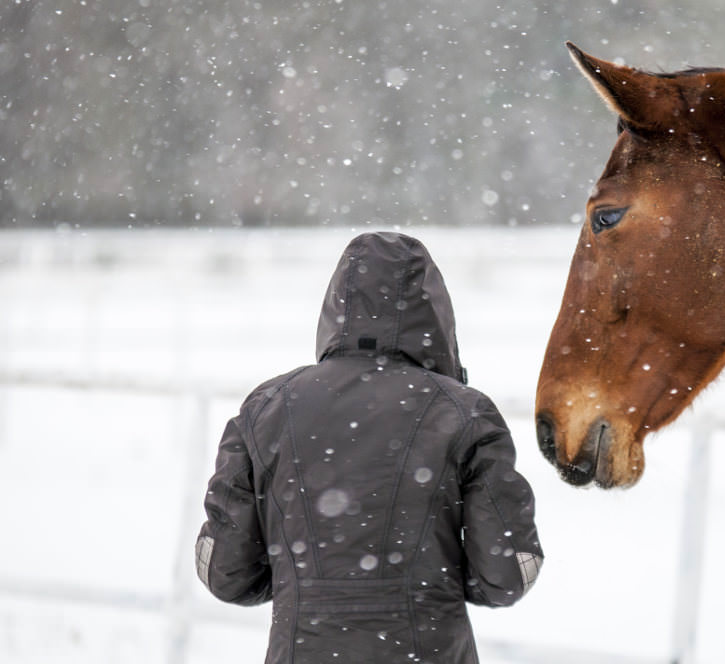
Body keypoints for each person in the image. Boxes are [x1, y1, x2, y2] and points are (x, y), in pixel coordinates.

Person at [195, 231, 543, 663]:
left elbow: (226, 573)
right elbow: (509, 572)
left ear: (334, 310)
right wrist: (436, 582)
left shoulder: (267, 409)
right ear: (434, 315)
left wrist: (303, 584)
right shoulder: (463, 414)